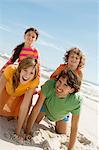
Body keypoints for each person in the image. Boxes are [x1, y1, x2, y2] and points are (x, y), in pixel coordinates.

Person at [25, 69, 83, 150]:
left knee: (61, 133)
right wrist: (27, 132)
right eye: (59, 81)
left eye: (65, 85)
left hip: (61, 114)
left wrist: (70, 149)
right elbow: (36, 108)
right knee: (34, 122)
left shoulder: (76, 101)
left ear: (72, 90)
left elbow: (74, 127)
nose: (59, 86)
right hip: (45, 108)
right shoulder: (49, 85)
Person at [0, 56, 39, 136]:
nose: (27, 75)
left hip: (18, 97)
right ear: (20, 69)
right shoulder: (10, 69)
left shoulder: (34, 81)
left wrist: (18, 131)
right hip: (5, 91)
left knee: (20, 110)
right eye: (25, 70)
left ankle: (17, 119)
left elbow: (25, 105)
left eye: (31, 73)